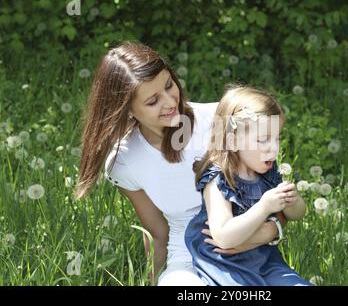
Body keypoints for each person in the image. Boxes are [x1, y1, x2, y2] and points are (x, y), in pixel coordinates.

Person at [74, 41, 283, 285]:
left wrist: (266, 233)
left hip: (251, 248)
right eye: (152, 101)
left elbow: (274, 191)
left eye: (169, 85)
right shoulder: (124, 161)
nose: (170, 102)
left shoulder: (222, 122)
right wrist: (154, 280)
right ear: (127, 109)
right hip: (187, 257)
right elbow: (157, 232)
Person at [185, 86, 312, 286]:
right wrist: (264, 207)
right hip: (225, 264)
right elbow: (224, 237)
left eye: (277, 138)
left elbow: (297, 214)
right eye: (263, 140)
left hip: (265, 259)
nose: (274, 147)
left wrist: (292, 200)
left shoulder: (268, 173)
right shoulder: (217, 180)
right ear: (232, 141)